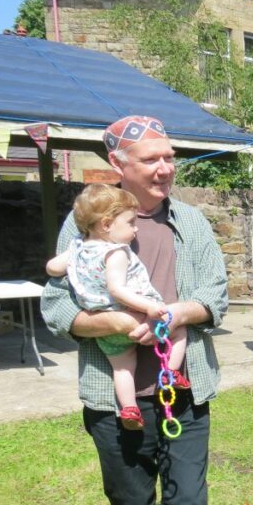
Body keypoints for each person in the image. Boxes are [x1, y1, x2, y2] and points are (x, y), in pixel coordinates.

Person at [40, 115, 229, 505]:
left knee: (188, 502)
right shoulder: (86, 223)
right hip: (114, 396)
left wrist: (176, 313)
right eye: (151, 159)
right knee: (130, 503)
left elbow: (215, 294)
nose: (165, 167)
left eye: (169, 156)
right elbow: (57, 308)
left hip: (184, 389)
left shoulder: (190, 221)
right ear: (120, 166)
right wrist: (118, 325)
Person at [45, 184, 188, 431]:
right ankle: (171, 373)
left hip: (102, 323)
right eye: (131, 223)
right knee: (179, 332)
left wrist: (66, 262)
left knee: (122, 368)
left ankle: (128, 408)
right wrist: (151, 307)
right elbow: (117, 289)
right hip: (131, 311)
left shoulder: (78, 247)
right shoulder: (116, 253)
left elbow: (52, 268)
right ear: (106, 225)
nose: (135, 228)